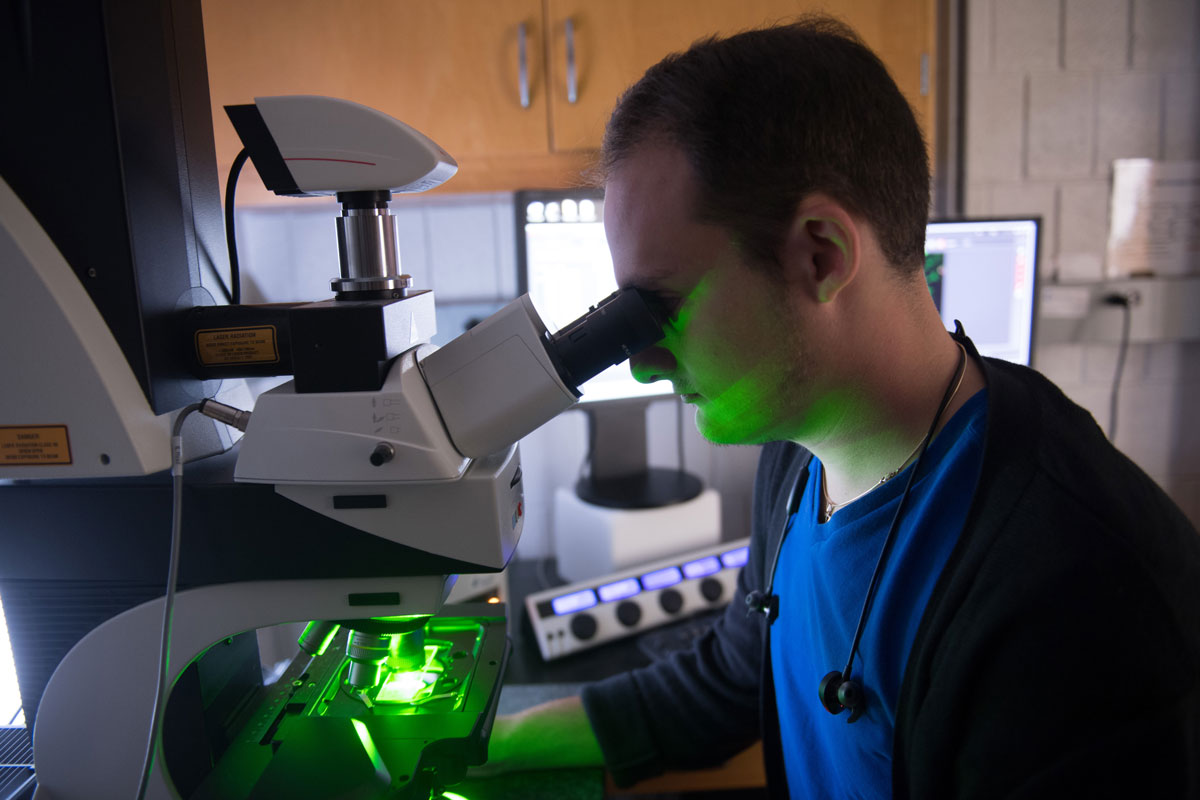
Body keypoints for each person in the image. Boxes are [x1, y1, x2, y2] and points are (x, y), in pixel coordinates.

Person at [486, 16, 1200, 798]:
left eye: (662, 309)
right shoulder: (800, 452)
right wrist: (479, 744)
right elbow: (733, 676)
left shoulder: (1074, 598)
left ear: (821, 255)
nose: (649, 364)